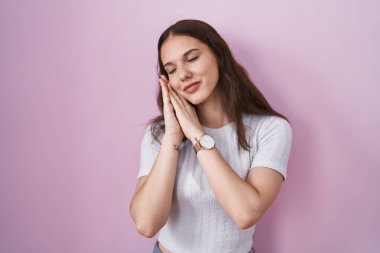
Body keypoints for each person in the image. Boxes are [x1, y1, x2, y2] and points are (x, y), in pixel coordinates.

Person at [130, 19, 293, 253]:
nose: (183, 75)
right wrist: (173, 138)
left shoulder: (270, 129)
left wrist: (197, 135)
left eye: (192, 58)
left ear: (219, 55)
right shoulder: (159, 134)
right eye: (172, 70)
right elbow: (146, 224)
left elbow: (245, 213)